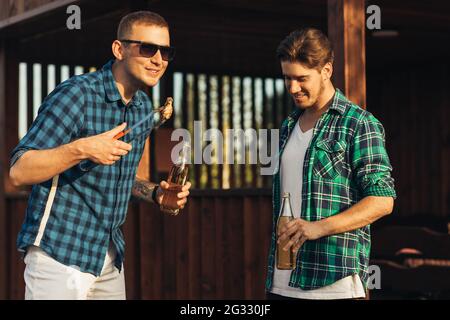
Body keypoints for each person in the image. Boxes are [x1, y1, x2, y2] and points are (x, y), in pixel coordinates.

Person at [9, 11, 191, 300]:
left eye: (166, 51)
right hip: (59, 254)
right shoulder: (77, 94)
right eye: (147, 48)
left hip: (109, 256)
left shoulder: (143, 107)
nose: (158, 59)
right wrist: (82, 148)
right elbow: (20, 169)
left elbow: (127, 178)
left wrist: (156, 192)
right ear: (119, 49)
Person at [265, 28, 396, 300]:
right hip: (281, 282)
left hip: (334, 285)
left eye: (301, 79)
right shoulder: (289, 126)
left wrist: (316, 228)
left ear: (326, 70)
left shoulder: (359, 124)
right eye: (287, 78)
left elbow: (383, 200)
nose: (292, 88)